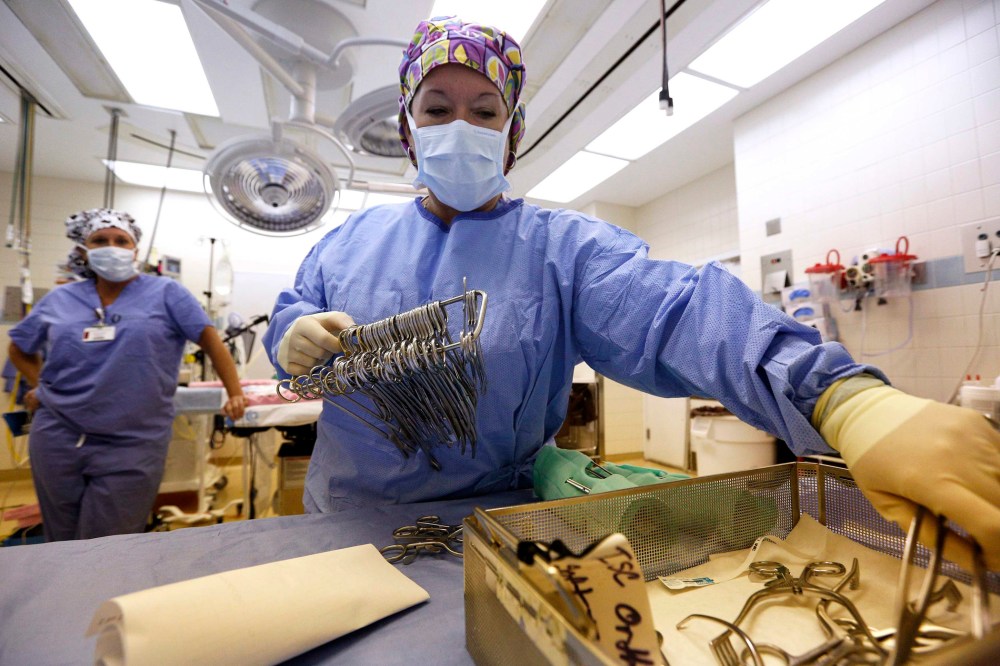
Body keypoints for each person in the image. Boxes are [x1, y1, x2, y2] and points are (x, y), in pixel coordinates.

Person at [264, 16, 999, 569]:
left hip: (491, 531)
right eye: (437, 108)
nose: (462, 126)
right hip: (344, 527)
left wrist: (841, 398)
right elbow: (295, 319)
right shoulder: (346, 244)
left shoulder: (562, 253)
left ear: (512, 135)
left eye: (484, 111)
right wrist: (290, 335)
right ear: (408, 127)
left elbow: (679, 313)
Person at [7, 208, 247, 541]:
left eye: (121, 240)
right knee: (59, 542)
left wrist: (235, 392)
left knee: (110, 544)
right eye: (100, 240)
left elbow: (211, 341)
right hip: (57, 436)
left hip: (132, 441)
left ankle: (104, 595)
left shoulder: (166, 294)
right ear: (84, 250)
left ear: (135, 250)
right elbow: (18, 348)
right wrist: (41, 385)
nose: (112, 247)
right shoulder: (61, 298)